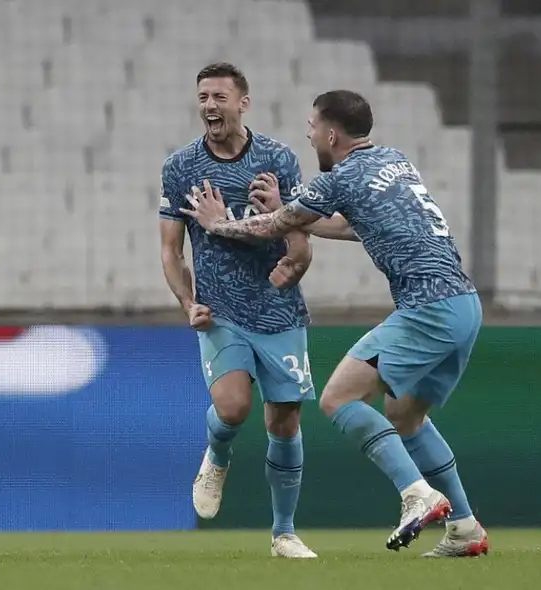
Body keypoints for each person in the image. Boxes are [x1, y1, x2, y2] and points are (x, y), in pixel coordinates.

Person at [180, 89, 489, 557]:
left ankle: (416, 494)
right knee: (405, 416)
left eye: (311, 127)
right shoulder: (393, 160)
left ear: (330, 133)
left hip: (428, 307)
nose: (308, 135)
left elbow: (272, 227)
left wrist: (219, 224)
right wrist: (285, 213)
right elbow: (349, 223)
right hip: (465, 305)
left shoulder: (339, 177)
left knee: (338, 397)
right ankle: (465, 529)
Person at [158, 62, 317, 558]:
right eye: (203, 96)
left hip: (279, 313)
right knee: (232, 407)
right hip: (222, 311)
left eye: (219, 97)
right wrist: (188, 303)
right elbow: (170, 251)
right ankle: (217, 455)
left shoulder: (278, 159)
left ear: (242, 102)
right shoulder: (181, 167)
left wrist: (277, 217)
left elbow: (301, 244)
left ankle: (284, 532)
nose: (209, 105)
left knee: (284, 423)